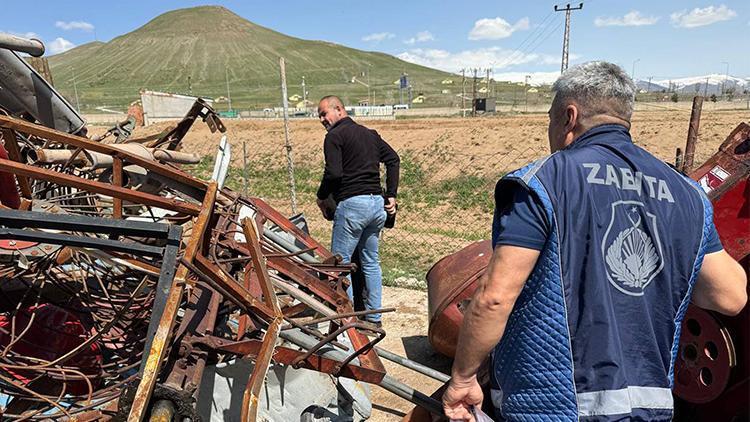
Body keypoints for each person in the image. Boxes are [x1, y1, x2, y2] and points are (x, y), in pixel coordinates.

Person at [442, 61, 747, 421]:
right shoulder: (688, 195)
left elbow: (494, 297)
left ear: (569, 117)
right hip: (649, 408)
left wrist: (462, 378)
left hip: (553, 408)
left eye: (551, 121)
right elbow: (730, 296)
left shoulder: (543, 182)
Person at [316, 95, 399, 327]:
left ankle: (346, 321)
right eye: (320, 116)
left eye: (325, 113)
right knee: (371, 262)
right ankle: (374, 318)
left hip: (353, 206)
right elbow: (393, 159)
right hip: (376, 206)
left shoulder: (334, 136)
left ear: (339, 110)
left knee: (339, 267)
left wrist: (321, 196)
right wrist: (391, 194)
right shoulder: (370, 134)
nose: (322, 119)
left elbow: (334, 174)